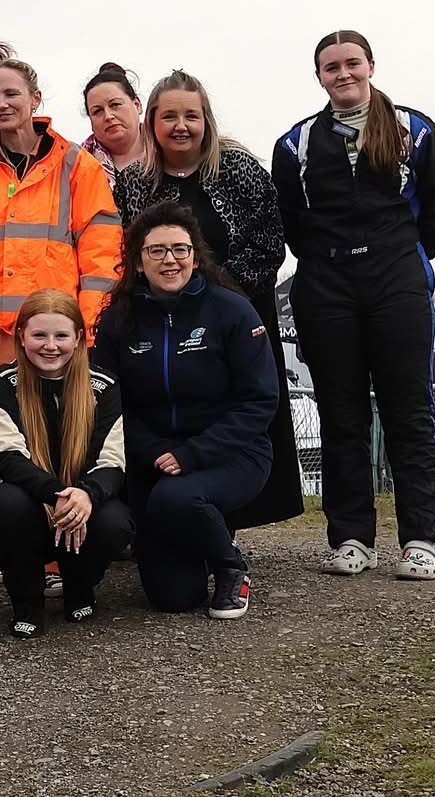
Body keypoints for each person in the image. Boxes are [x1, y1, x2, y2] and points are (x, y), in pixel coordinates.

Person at [274, 30, 435, 580]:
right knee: (341, 414)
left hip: (397, 276)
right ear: (319, 77)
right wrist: (328, 261)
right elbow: (290, 219)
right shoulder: (296, 142)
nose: (343, 74)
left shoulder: (414, 128)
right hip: (326, 283)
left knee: (409, 410)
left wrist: (404, 253)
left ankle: (421, 537)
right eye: (331, 67)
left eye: (352, 63)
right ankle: (352, 537)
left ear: (371, 66)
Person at [115, 70, 299, 529]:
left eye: (191, 116)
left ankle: (227, 520)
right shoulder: (135, 180)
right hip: (158, 319)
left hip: (236, 316)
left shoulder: (238, 169)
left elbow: (270, 242)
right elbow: (126, 248)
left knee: (237, 412)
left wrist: (217, 299)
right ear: (152, 122)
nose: (181, 125)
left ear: (206, 120)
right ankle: (161, 514)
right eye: (170, 116)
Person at [93, 204, 278, 618]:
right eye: (156, 251)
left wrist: (193, 454)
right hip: (153, 460)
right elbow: (107, 404)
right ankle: (204, 535)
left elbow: (259, 401)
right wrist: (152, 450)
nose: (170, 259)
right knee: (172, 598)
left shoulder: (231, 310)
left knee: (179, 497)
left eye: (180, 248)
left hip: (231, 454)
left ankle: (231, 568)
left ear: (195, 255)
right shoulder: (118, 320)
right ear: (138, 261)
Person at [0, 58, 123, 382]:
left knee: (62, 429)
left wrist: (88, 331)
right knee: (6, 431)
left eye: (11, 94)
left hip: (59, 334)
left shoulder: (76, 166)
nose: (1, 104)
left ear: (35, 98)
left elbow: (102, 254)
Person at [0, 289, 130, 638]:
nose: (51, 345)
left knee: (114, 521)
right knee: (4, 502)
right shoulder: (2, 383)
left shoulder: (104, 385)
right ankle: (27, 601)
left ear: (78, 338)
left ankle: (80, 587)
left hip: (82, 502)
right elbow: (9, 458)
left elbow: (112, 461)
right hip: (35, 504)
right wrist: (60, 494)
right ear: (21, 336)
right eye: (39, 335)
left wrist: (86, 495)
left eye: (61, 335)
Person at [81, 63, 145, 183]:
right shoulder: (76, 165)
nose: (108, 116)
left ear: (137, 105)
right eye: (97, 111)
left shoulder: (169, 151)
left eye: (115, 105)